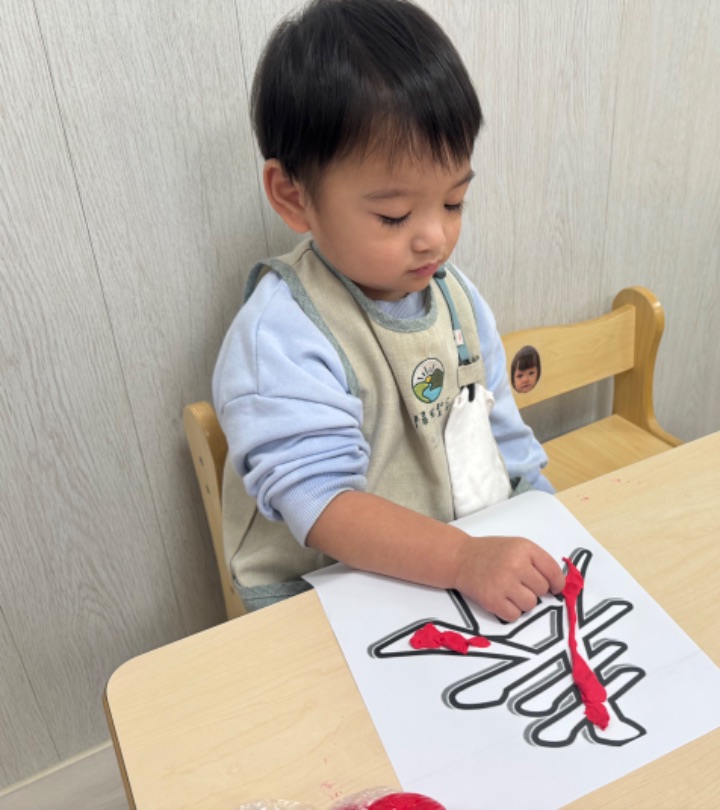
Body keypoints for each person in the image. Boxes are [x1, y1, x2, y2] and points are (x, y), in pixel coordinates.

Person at [212, 0, 564, 618]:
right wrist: (463, 559)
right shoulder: (282, 335)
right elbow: (324, 506)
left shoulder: (455, 297)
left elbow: (500, 427)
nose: (434, 238)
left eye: (453, 203)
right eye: (394, 216)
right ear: (293, 197)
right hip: (321, 594)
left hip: (451, 569)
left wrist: (545, 512)